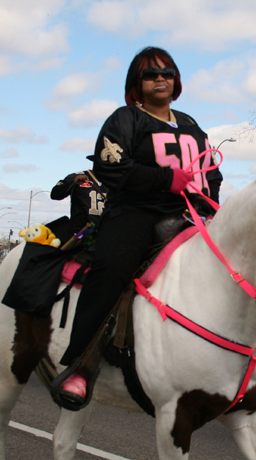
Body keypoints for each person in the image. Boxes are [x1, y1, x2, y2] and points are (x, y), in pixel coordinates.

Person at [55, 46, 223, 408]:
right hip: (136, 213)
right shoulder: (126, 119)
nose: (160, 77)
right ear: (137, 82)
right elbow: (109, 167)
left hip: (190, 215)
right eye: (151, 73)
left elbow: (212, 172)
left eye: (167, 71)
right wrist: (166, 179)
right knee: (112, 269)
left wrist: (212, 205)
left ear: (176, 79)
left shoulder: (191, 124)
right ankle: (81, 364)